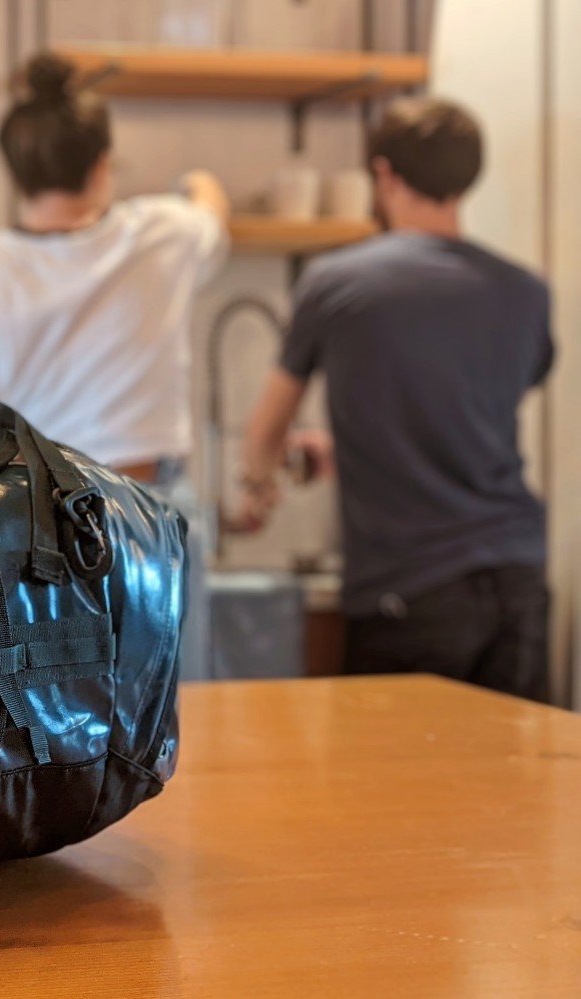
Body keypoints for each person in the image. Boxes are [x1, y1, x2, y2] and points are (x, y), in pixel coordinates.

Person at [0, 53, 229, 681]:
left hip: (35, 520)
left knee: (56, 713)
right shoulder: (164, 234)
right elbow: (213, 209)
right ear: (102, 166)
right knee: (173, 712)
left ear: (18, 173)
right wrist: (196, 178)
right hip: (152, 507)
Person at [235, 97, 553, 702]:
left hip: (408, 588)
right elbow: (461, 411)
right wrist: (353, 448)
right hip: (517, 576)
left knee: (395, 788)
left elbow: (264, 433)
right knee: (514, 786)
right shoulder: (526, 293)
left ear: (384, 174)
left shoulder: (337, 282)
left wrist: (256, 489)